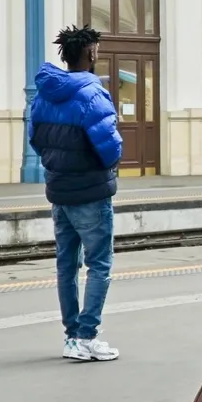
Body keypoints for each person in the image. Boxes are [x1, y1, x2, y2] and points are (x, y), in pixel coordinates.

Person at [30, 25, 124, 362]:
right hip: (91, 192)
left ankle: (71, 336)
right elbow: (110, 146)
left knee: (66, 266)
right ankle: (87, 335)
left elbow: (36, 140)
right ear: (91, 53)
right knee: (99, 265)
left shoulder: (44, 94)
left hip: (59, 190)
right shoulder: (91, 94)